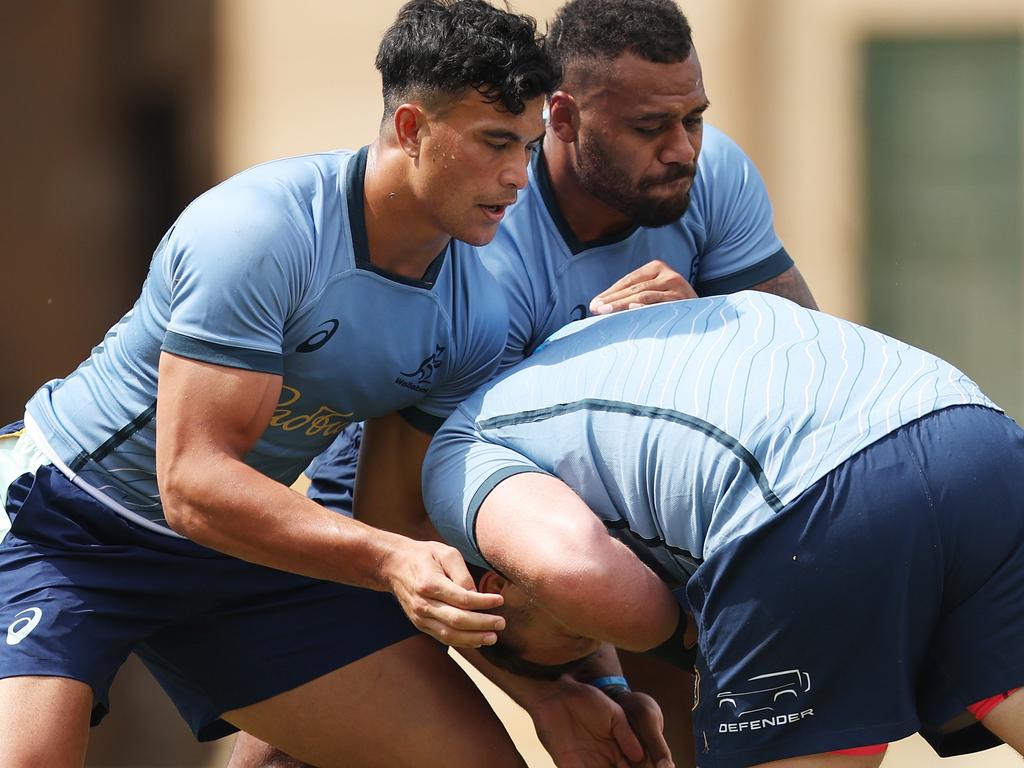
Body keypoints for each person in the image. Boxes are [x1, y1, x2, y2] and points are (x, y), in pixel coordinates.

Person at [0, 2, 570, 766]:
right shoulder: (259, 232)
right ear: (410, 129)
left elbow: (392, 520)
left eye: (529, 147)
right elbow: (193, 482)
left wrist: (552, 697)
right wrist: (385, 558)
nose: (517, 177)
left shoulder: (476, 313)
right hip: (69, 522)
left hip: (240, 555)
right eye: (495, 143)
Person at [308, 3, 816, 756]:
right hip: (419, 493)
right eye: (650, 128)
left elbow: (805, 351)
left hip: (616, 497)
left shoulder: (712, 177)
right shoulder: (485, 247)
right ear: (567, 119)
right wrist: (558, 687)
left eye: (695, 119)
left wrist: (706, 320)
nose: (683, 149)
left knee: (664, 723)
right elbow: (402, 511)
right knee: (312, 737)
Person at [423, 293, 1024, 768]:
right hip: (976, 436)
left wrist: (684, 631)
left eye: (575, 631)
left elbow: (577, 571)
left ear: (495, 583)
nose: (599, 636)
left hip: (806, 496)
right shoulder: (606, 348)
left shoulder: (462, 448)